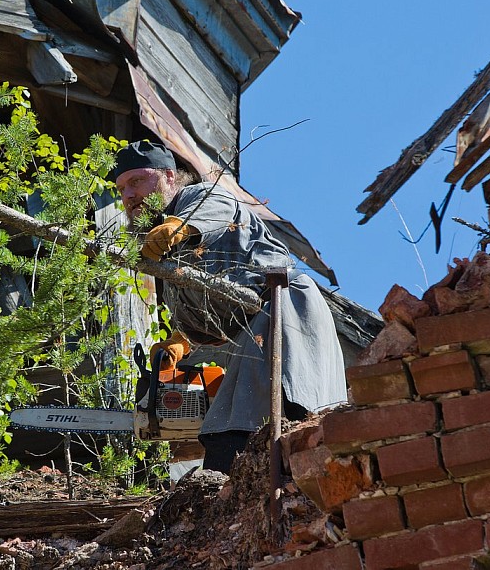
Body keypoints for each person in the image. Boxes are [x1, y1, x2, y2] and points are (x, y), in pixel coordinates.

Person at [110, 140, 348, 472]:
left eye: (136, 181)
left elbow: (218, 208)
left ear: (167, 176)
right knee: (227, 440)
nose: (128, 195)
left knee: (285, 420)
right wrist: (185, 340)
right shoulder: (161, 249)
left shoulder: (197, 199)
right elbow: (211, 305)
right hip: (250, 337)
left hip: (284, 309)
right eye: (121, 188)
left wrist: (181, 227)